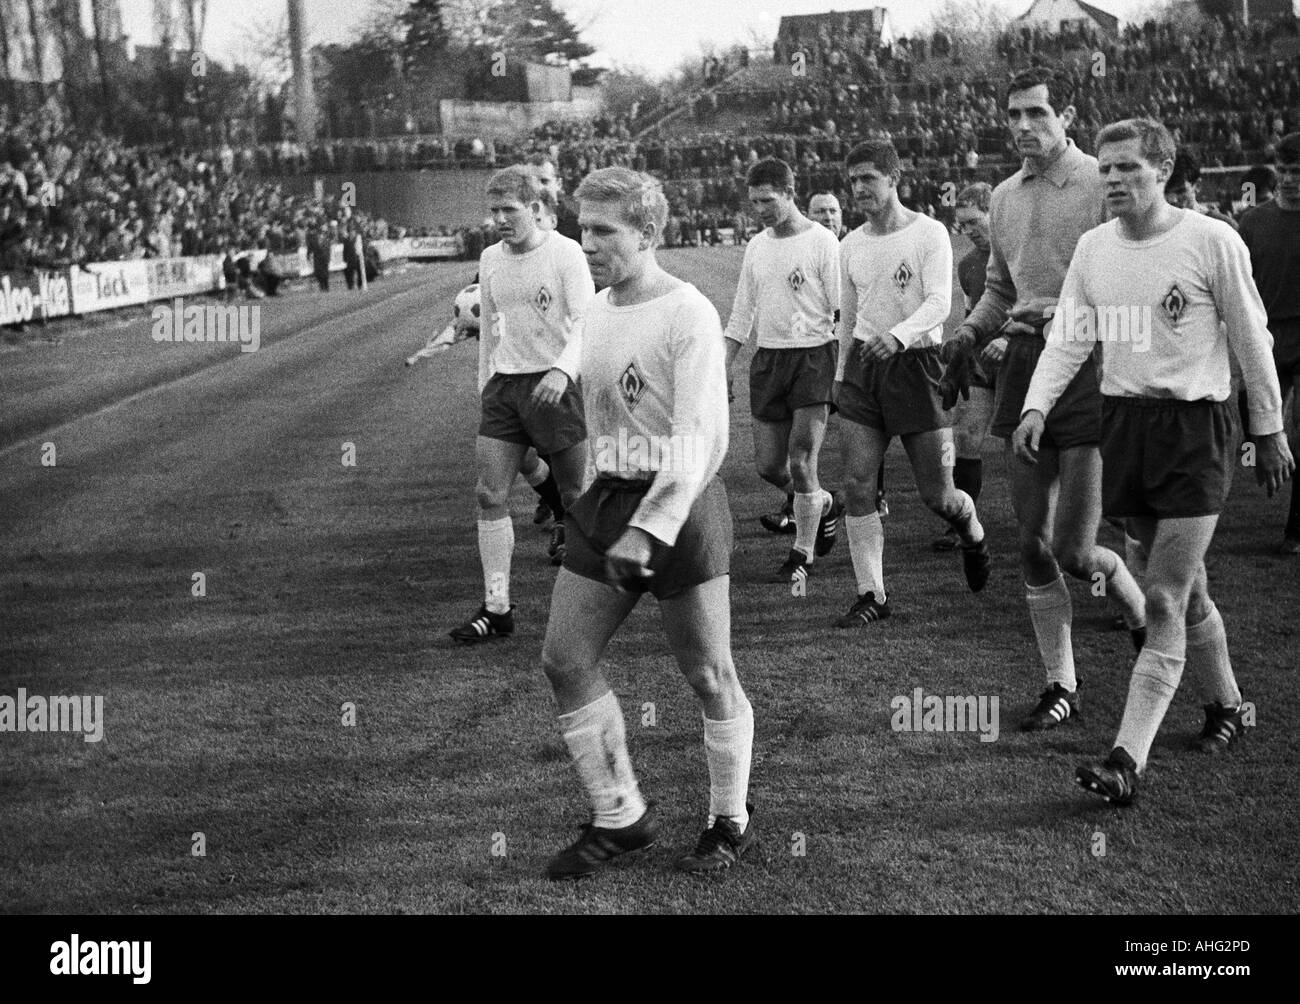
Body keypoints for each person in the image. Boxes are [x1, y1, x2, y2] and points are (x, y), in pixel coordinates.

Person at [1012, 118, 1293, 804]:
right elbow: (1070, 339)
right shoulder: (1094, 249)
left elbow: (1253, 339)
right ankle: (1226, 704)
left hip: (1197, 429)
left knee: (1162, 596)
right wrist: (1036, 406)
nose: (1112, 178)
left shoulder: (1210, 241)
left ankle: (1124, 762)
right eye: (1106, 168)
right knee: (1186, 590)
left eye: (1128, 167)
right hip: (1124, 427)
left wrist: (1271, 428)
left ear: (1162, 170)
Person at [541, 167, 754, 879]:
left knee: (707, 671)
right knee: (565, 659)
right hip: (607, 501)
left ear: (650, 233)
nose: (588, 241)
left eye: (606, 230)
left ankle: (728, 820)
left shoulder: (688, 312)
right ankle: (619, 813)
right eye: (583, 227)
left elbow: (702, 437)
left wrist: (653, 524)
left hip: (682, 506)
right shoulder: (596, 310)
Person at [939, 64, 1146, 727]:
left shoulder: (1098, 182)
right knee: (1030, 543)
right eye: (1013, 116)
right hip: (1025, 364)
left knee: (1076, 550)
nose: (1024, 126)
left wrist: (1082, 324)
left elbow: (1132, 269)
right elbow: (1002, 286)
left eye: (1036, 113)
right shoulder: (1003, 195)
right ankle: (1062, 685)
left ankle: (1142, 616)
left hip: (1090, 363)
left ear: (1067, 115)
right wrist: (970, 333)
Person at [833, 139, 991, 628]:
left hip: (918, 368)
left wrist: (899, 338)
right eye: (853, 179)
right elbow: (849, 317)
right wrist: (840, 376)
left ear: (894, 179)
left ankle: (971, 530)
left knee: (937, 496)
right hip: (864, 369)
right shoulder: (850, 244)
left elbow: (940, 303)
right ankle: (872, 594)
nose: (859, 188)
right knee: (857, 484)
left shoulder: (930, 234)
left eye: (868, 178)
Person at [449, 166, 594, 644]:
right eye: (493, 211)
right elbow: (489, 330)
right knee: (489, 495)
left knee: (575, 498)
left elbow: (586, 322)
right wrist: (485, 387)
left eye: (508, 210)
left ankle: (590, 601)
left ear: (535, 209)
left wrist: (562, 370)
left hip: (559, 385)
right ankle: (497, 608)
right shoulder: (490, 258)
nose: (499, 220)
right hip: (505, 390)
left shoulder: (566, 252)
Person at [723, 160, 844, 583]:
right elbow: (742, 311)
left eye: (768, 200)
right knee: (769, 467)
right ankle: (823, 504)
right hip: (769, 359)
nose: (760, 209)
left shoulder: (823, 241)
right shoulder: (757, 245)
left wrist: (842, 367)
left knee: (801, 459)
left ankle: (803, 552)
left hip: (813, 356)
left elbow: (842, 310)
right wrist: (726, 363)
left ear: (790, 193)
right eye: (754, 202)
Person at [1238, 133, 1300, 554]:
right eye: (1285, 172)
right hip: (1266, 336)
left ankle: (1295, 530)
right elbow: (1240, 288)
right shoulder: (1253, 222)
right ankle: (1269, 454)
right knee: (1255, 424)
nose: (1291, 180)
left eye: (1298, 173)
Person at [934, 182, 997, 552]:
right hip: (982, 357)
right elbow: (974, 310)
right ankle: (962, 523)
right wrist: (960, 347)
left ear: (993, 214)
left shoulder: (1018, 253)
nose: (969, 230)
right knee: (966, 436)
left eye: (975, 221)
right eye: (963, 224)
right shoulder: (969, 264)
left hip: (1022, 354)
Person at [1165, 151, 1238, 229]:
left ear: (1197, 186)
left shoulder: (1225, 227)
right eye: (1166, 192)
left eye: (1180, 191)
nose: (1173, 199)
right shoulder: (1156, 231)